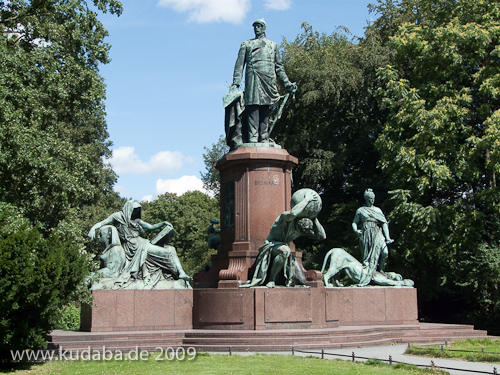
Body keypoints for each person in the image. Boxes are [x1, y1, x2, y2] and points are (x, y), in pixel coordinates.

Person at [88, 200, 191, 287]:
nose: (136, 212)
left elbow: (151, 226)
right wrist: (93, 229)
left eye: (137, 210)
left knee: (171, 249)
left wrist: (163, 223)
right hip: (132, 248)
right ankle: (178, 274)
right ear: (128, 209)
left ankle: (181, 273)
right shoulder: (117, 216)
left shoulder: (137, 220)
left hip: (142, 243)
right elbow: (103, 222)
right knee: (165, 253)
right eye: (134, 210)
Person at [241, 188, 326, 288]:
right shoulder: (285, 217)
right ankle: (271, 280)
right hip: (272, 245)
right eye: (303, 230)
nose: (303, 232)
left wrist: (314, 217)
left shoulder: (301, 228)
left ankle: (283, 275)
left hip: (285, 248)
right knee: (285, 250)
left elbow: (322, 236)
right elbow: (293, 213)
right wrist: (306, 200)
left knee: (301, 280)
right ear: (298, 223)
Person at [230, 19, 297, 143]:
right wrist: (236, 81)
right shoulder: (246, 44)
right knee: (253, 107)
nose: (257, 28)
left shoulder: (273, 45)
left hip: (268, 80)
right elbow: (239, 64)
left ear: (264, 28)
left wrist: (287, 83)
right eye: (255, 26)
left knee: (265, 108)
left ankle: (264, 136)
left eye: (259, 26)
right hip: (253, 78)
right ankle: (253, 137)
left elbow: (279, 67)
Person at [352, 189, 394, 285]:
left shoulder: (378, 210)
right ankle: (369, 274)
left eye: (373, 198)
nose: (372, 200)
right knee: (367, 259)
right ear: (366, 198)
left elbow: (384, 224)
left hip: (377, 234)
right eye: (370, 198)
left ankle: (381, 270)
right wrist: (356, 230)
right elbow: (354, 222)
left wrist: (387, 237)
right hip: (366, 235)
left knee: (385, 252)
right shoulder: (361, 210)